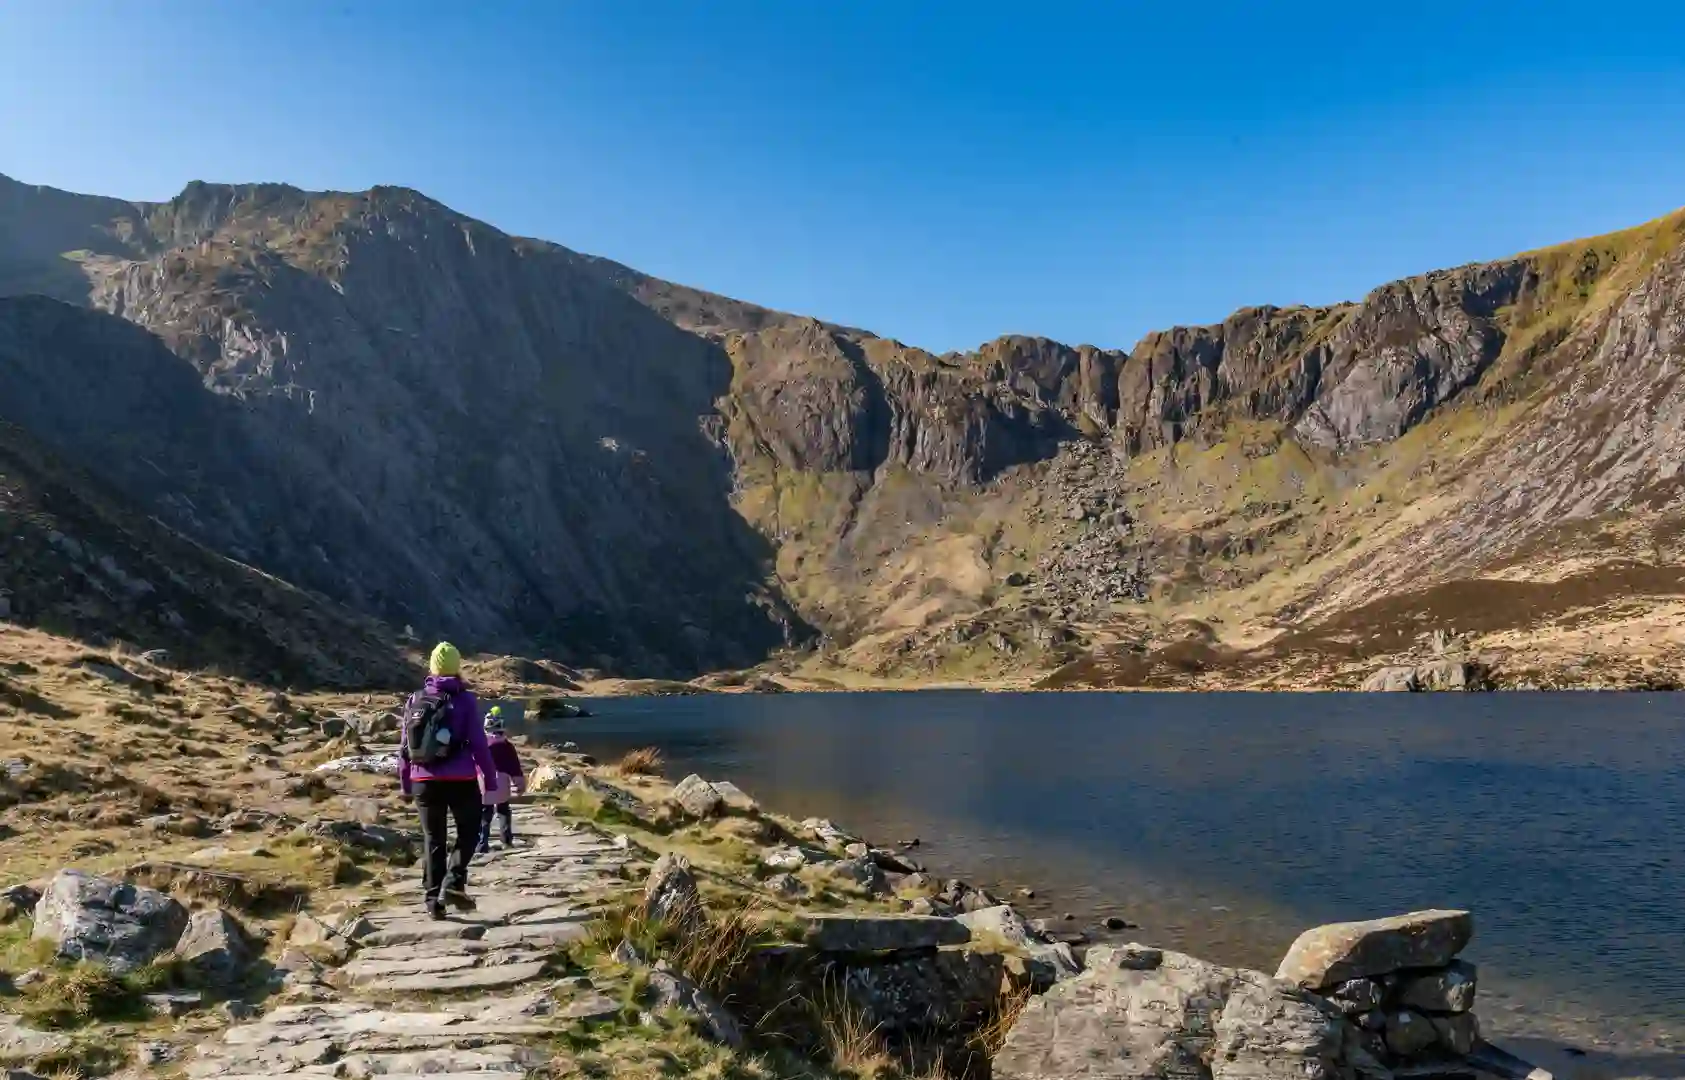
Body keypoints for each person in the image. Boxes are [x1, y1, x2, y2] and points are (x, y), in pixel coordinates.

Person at [399, 641, 496, 920]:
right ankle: (454, 881)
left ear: (432, 668)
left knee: (434, 839)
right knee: (470, 832)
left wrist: (405, 783)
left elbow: (405, 746)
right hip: (461, 779)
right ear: (456, 668)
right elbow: (479, 744)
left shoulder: (414, 699)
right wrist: (489, 780)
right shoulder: (464, 700)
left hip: (423, 781)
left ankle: (433, 901)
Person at [477, 707, 527, 853]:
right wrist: (519, 783)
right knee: (504, 811)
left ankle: (482, 844)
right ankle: (506, 840)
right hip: (502, 782)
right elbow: (515, 767)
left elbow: (473, 764)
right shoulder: (507, 746)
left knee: (485, 815)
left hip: (485, 783)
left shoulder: (481, 744)